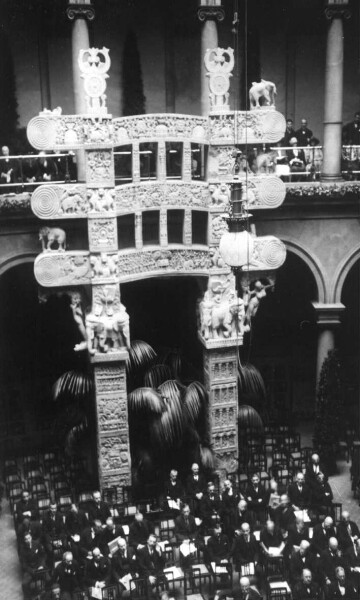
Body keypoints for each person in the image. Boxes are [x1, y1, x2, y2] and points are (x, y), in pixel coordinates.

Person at [19, 532, 47, 600]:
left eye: (29, 538)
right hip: (30, 569)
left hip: (39, 566)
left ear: (31, 537)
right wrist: (31, 571)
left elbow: (43, 555)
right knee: (24, 584)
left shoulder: (37, 544)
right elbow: (24, 564)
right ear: (24, 540)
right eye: (26, 539)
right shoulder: (22, 549)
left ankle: (44, 595)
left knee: (48, 579)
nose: (28, 540)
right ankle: (28, 597)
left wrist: (41, 565)